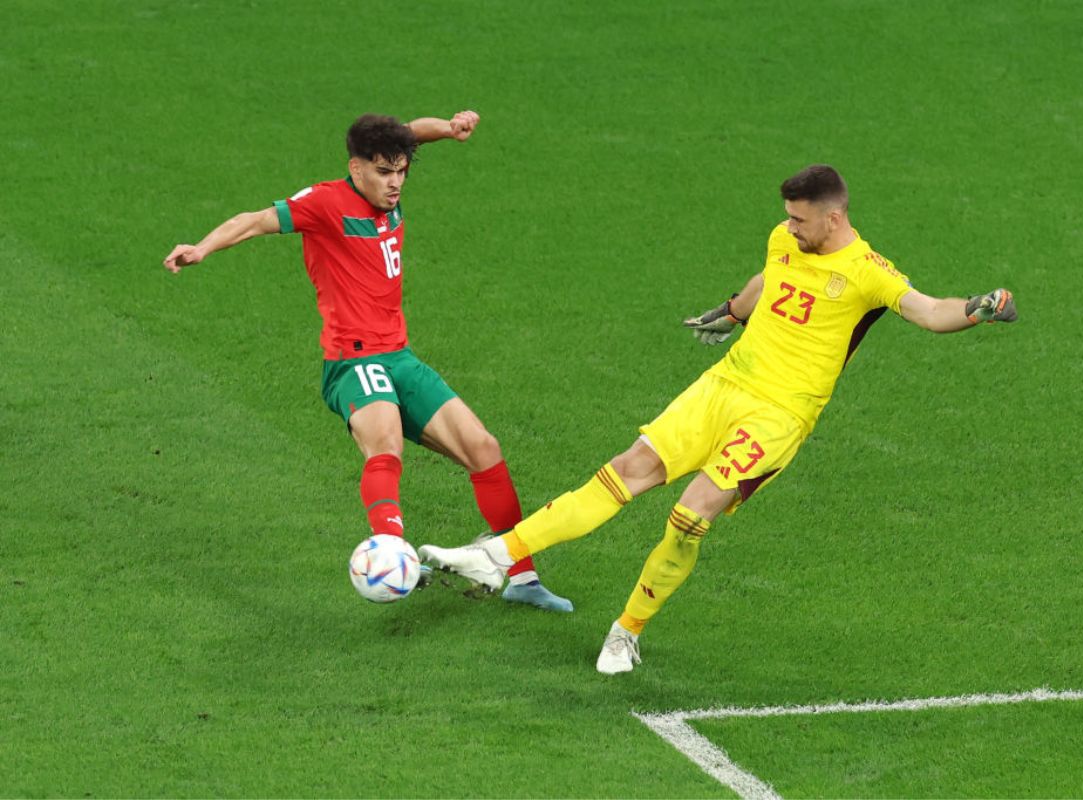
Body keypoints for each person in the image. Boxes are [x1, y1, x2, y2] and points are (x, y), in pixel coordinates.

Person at [419, 164, 1017, 671]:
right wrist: (731, 312)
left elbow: (930, 311)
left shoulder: (867, 272)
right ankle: (496, 558)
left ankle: (627, 630)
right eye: (787, 216)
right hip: (724, 385)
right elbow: (768, 279)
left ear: (832, 218)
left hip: (780, 416)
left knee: (690, 513)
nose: (789, 226)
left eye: (800, 218)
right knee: (629, 468)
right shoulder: (786, 241)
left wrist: (979, 310)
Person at [163, 111, 572, 612]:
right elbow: (255, 221)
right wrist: (202, 248)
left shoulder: (386, 178)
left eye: (402, 171)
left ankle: (522, 578)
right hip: (353, 361)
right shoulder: (325, 203)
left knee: (484, 449)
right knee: (386, 444)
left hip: (399, 356)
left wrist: (445, 128)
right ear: (355, 167)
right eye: (384, 172)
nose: (395, 183)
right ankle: (393, 556)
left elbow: (408, 134)